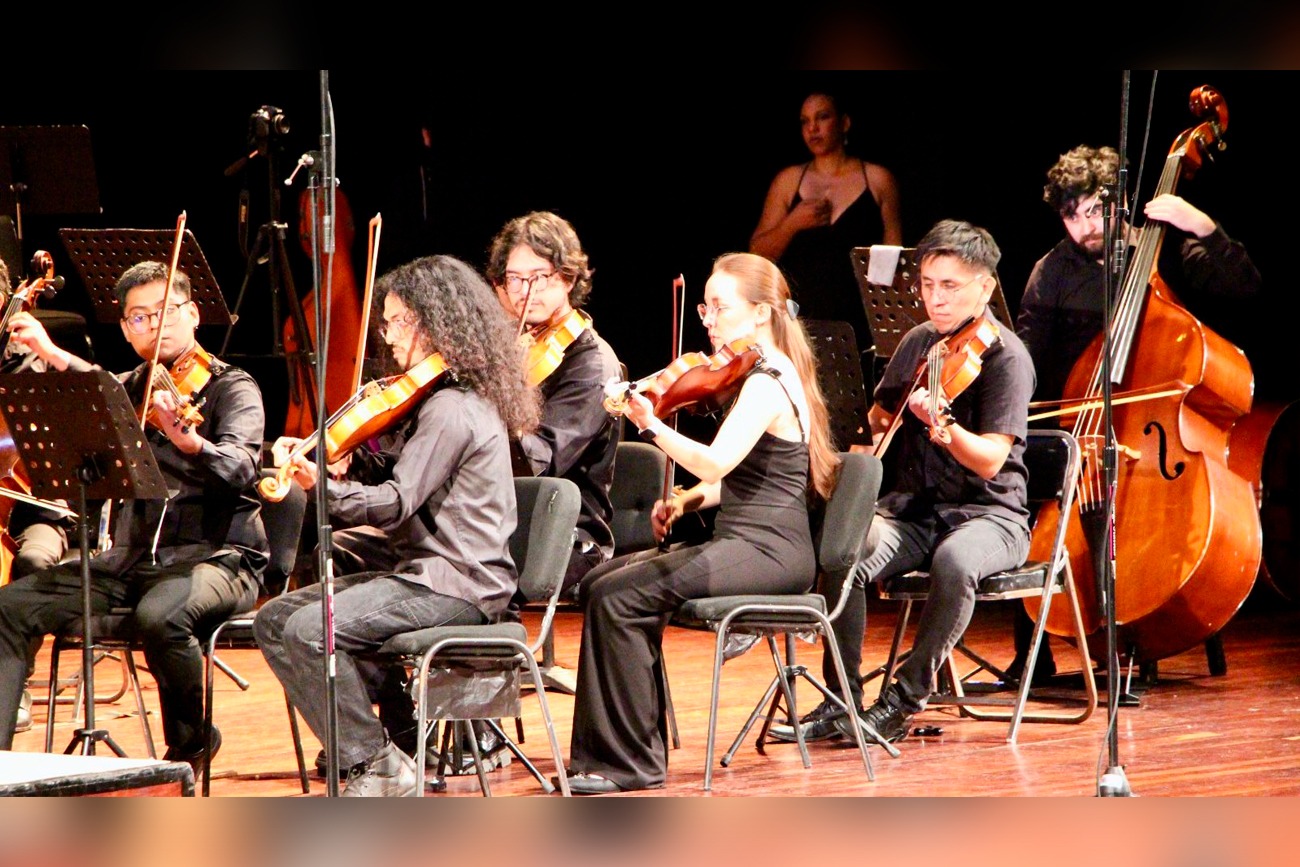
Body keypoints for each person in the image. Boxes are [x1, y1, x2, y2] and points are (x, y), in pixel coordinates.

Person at [254, 254, 541, 797]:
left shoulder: (453, 408)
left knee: (311, 631)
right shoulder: (432, 404)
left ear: (437, 323)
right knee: (275, 621)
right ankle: (397, 738)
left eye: (397, 322)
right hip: (420, 574)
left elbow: (394, 504)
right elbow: (398, 477)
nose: (389, 336)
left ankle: (376, 763)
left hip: (459, 584)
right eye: (387, 323)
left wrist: (323, 488)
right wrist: (343, 462)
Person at [564, 251, 838, 794]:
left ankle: (630, 764)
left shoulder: (768, 380)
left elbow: (715, 461)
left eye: (720, 307)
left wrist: (650, 425)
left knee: (622, 598)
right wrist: (686, 502)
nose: (708, 319)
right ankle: (626, 744)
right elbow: (737, 478)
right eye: (705, 307)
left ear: (762, 313)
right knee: (600, 583)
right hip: (749, 541)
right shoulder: (759, 371)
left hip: (771, 552)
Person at [772, 219, 1034, 746]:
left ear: (985, 287)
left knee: (956, 561)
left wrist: (946, 428)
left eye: (950, 287)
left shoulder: (1006, 358)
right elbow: (876, 419)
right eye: (928, 285)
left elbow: (989, 461)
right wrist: (873, 422)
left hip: (991, 516)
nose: (934, 299)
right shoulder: (918, 342)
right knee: (848, 545)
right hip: (916, 511)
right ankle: (843, 700)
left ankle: (903, 699)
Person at [0, 261, 268, 767]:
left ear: (192, 315)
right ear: (125, 329)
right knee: (9, 608)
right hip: (130, 562)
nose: (156, 324)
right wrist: (49, 353)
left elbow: (240, 467)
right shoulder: (129, 388)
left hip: (217, 559)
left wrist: (192, 442)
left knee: (161, 616)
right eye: (140, 317)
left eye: (167, 311)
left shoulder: (232, 387)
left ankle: (191, 744)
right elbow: (99, 388)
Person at [1011, 144, 1262, 682]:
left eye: (1097, 210)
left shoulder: (1162, 251)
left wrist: (1203, 227)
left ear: (1121, 204)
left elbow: (1244, 287)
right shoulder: (1050, 272)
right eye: (1072, 215)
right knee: (1015, 474)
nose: (1086, 225)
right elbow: (1028, 362)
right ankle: (1032, 650)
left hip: (1154, 440)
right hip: (1078, 425)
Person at [485, 211, 621, 600]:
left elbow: (534, 463)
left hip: (561, 534)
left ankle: (486, 656)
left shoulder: (592, 365)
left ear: (568, 278)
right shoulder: (514, 347)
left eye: (540, 278)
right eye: (515, 279)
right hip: (500, 516)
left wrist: (503, 396)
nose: (526, 291)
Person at [749, 89, 902, 387]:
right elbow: (758, 255)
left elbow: (896, 257)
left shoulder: (878, 179)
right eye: (805, 121)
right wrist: (792, 223)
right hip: (801, 320)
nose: (813, 128)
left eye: (822, 117)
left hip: (860, 322)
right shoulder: (789, 180)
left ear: (844, 123)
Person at [0, 254, 74, 734]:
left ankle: (13, 681)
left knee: (29, 565)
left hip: (33, 507)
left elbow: (34, 448)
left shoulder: (31, 365)